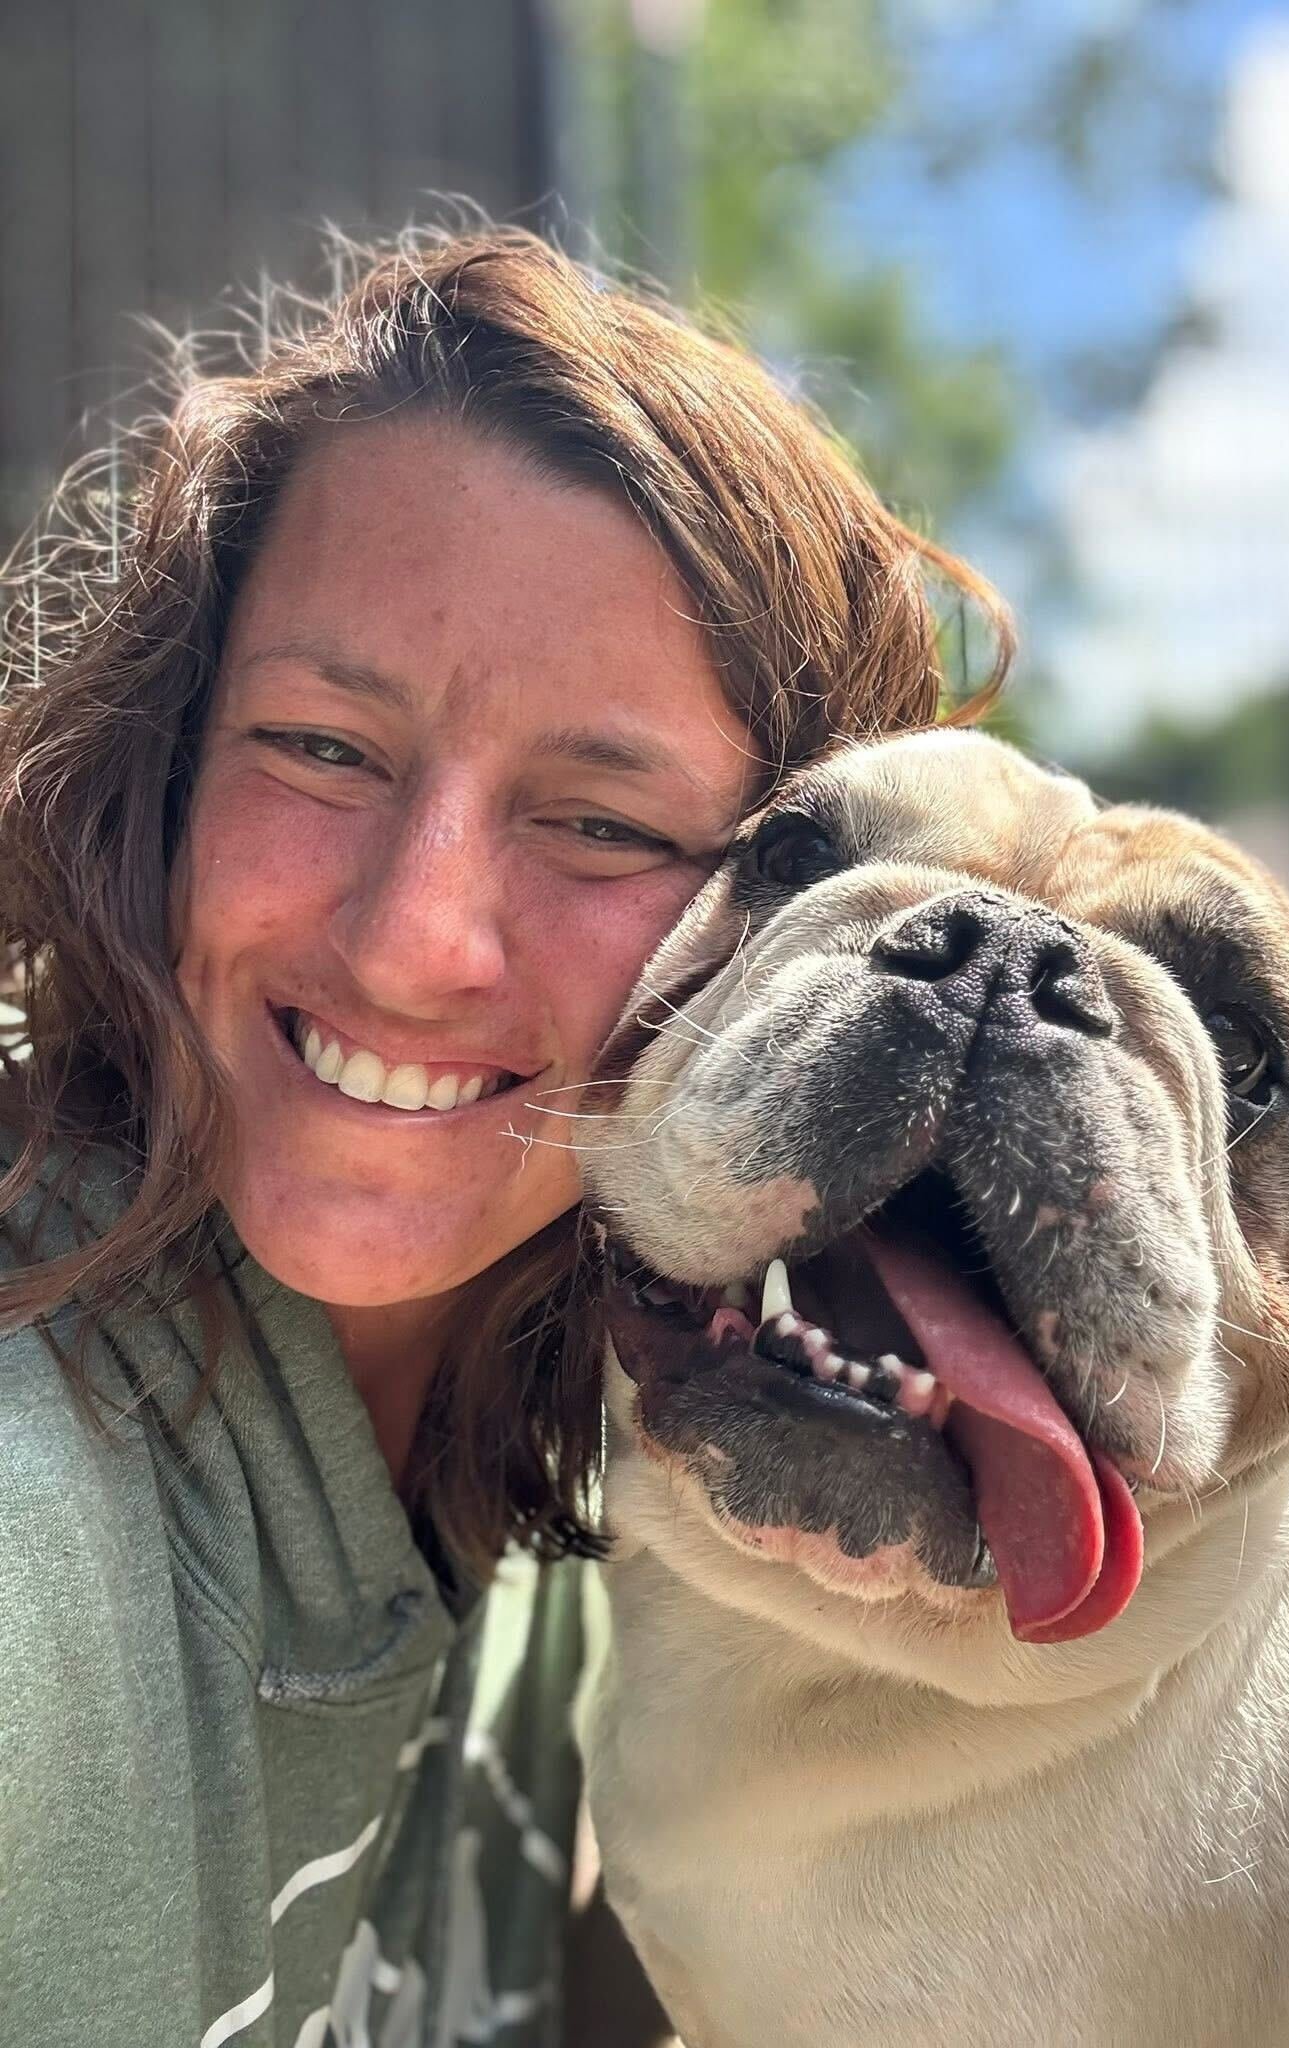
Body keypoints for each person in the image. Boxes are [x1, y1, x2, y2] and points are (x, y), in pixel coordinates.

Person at [0, 225, 1009, 2048]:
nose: (409, 939)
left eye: (602, 826)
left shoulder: (631, 1501)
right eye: (320, 748)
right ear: (161, 766)